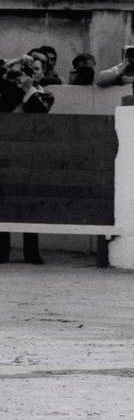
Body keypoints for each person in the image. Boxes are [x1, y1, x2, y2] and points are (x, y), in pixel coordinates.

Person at [0, 56, 53, 265]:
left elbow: (41, 110)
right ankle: (2, 252)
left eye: (34, 70)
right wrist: (13, 66)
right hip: (6, 154)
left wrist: (29, 89)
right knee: (3, 202)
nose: (27, 74)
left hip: (32, 156)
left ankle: (32, 253)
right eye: (26, 70)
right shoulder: (8, 91)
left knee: (30, 203)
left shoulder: (45, 94)